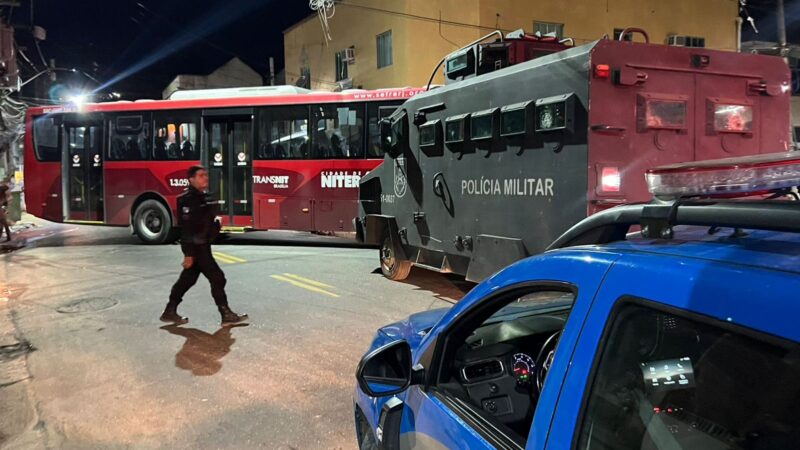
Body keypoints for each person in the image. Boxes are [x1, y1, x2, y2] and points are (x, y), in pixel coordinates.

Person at [161, 165, 248, 326]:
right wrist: (188, 253)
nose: (205, 178)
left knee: (186, 281)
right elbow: (186, 230)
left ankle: (169, 311)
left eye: (206, 175)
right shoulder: (187, 200)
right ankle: (225, 314)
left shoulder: (204, 198)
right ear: (191, 180)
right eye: (201, 176)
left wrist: (216, 224)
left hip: (203, 246)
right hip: (197, 248)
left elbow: (205, 225)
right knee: (218, 278)